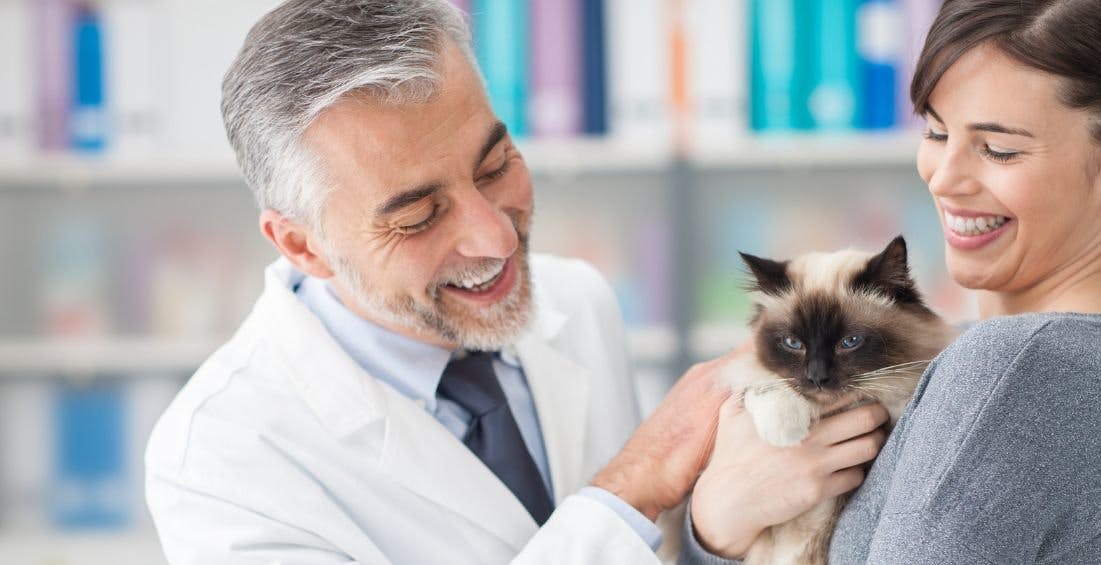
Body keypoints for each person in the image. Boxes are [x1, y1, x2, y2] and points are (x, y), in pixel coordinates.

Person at [143, 1, 891, 563]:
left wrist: (708, 533)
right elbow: (617, 516)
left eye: (495, 164)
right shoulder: (219, 458)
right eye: (418, 215)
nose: (496, 237)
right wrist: (632, 484)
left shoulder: (575, 301)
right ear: (302, 244)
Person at [683, 0, 1101, 563]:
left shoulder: (1011, 371)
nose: (944, 178)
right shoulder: (1090, 351)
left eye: (999, 149)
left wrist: (714, 518)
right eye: (936, 133)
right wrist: (720, 526)